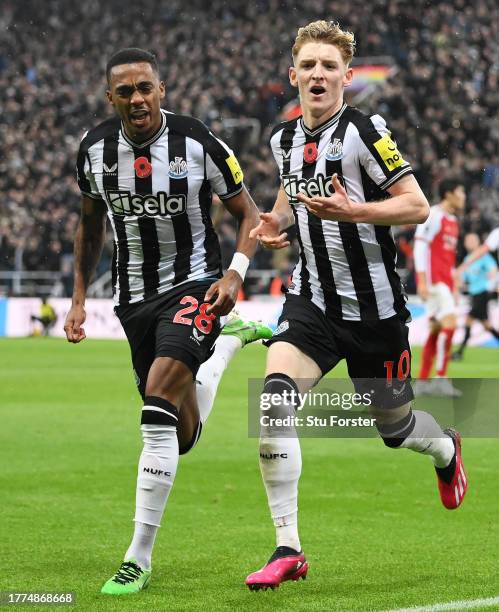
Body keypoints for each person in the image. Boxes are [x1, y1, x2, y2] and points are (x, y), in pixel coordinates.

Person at [246, 20, 467, 591]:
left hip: (375, 315)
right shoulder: (283, 139)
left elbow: (416, 206)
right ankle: (288, 547)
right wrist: (277, 222)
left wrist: (356, 213)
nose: (318, 74)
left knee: (394, 430)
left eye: (329, 66)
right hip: (312, 303)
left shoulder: (367, 133)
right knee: (273, 405)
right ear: (292, 75)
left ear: (346, 76)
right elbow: (291, 198)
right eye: (308, 65)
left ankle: (445, 448)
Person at [63, 48, 272, 595]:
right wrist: (79, 297)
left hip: (195, 284)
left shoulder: (198, 141)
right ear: (111, 98)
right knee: (177, 435)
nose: (137, 99)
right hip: (133, 300)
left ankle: (138, 555)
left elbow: (249, 213)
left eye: (145, 88)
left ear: (162, 89)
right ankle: (226, 348)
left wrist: (235, 274)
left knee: (157, 395)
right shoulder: (92, 152)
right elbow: (89, 226)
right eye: (125, 91)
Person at [412, 179, 465, 396]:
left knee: (435, 331)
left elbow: (448, 258)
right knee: (450, 324)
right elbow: (420, 245)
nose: (464, 196)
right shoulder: (433, 215)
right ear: (449, 194)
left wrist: (454, 284)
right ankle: (441, 379)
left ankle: (423, 381)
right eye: (460, 191)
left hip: (446, 282)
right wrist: (422, 280)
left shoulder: (453, 221)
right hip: (434, 282)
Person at [452, 233, 499, 359]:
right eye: (468, 240)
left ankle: (459, 352)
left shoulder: (483, 256)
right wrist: (457, 285)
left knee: (469, 319)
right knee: (487, 325)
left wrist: (492, 279)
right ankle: (459, 352)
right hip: (474, 294)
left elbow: (493, 270)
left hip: (483, 293)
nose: (470, 242)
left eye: (473, 240)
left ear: (478, 242)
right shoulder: (468, 260)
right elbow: (462, 279)